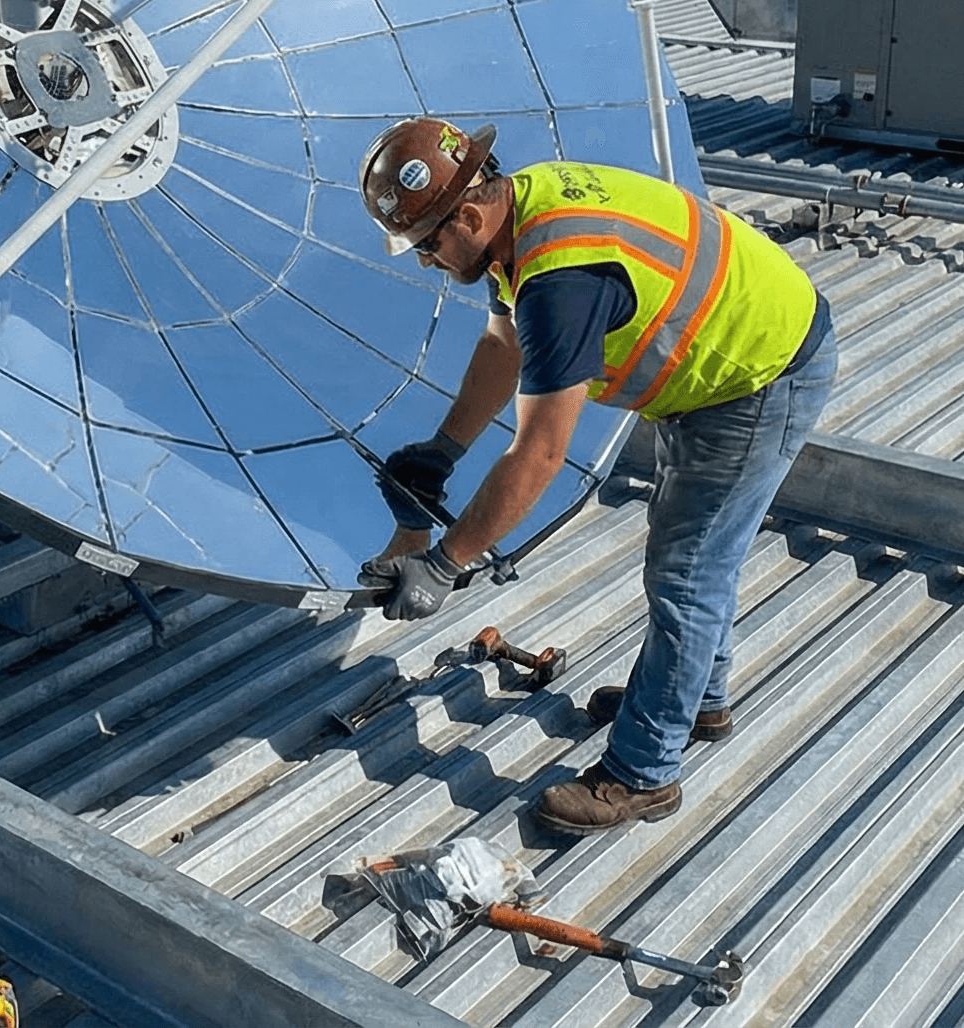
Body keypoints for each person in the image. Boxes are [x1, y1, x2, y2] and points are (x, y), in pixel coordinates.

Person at [357, 119, 836, 834]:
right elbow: (503, 342)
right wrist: (444, 449)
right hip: (718, 364)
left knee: (686, 571)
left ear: (467, 212)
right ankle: (689, 700)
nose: (424, 260)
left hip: (756, 377)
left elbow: (539, 454)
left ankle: (644, 773)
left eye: (426, 242)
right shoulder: (521, 210)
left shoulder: (563, 278)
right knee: (692, 558)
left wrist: (444, 564)